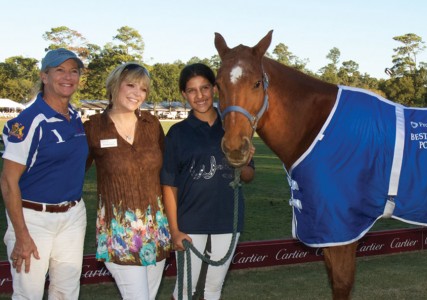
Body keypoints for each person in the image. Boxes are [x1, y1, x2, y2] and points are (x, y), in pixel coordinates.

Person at [161, 63, 255, 300]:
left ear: (214, 88)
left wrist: (242, 161)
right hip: (190, 219)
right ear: (184, 94)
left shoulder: (232, 125)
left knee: (213, 289)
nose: (199, 95)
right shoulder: (178, 133)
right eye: (192, 90)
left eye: (204, 88)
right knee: (184, 290)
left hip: (227, 219)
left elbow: (248, 176)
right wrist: (174, 230)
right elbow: (169, 184)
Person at [1, 48, 88, 299]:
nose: (68, 76)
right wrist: (21, 235)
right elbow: (8, 182)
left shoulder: (74, 117)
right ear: (44, 76)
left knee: (66, 291)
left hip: (72, 215)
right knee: (29, 293)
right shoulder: (28, 121)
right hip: (33, 219)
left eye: (73, 71)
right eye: (59, 70)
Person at [84, 62, 172, 299]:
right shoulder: (93, 128)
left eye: (143, 89)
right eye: (130, 85)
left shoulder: (152, 125)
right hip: (119, 232)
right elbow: (72, 172)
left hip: (156, 229)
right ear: (115, 85)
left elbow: (169, 171)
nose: (137, 93)